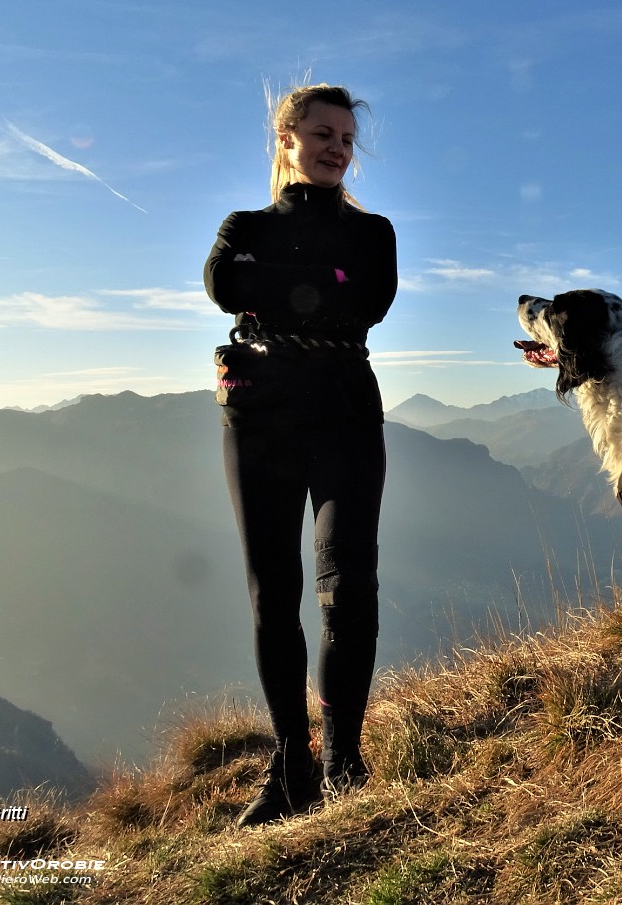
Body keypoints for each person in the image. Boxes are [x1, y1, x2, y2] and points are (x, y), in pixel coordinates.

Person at [204, 83, 397, 827]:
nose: (337, 149)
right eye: (322, 134)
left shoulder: (372, 232)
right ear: (286, 138)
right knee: (272, 591)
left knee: (349, 584)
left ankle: (344, 757)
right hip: (260, 418)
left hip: (344, 413)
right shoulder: (242, 222)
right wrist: (322, 287)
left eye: (346, 140)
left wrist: (276, 286)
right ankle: (293, 764)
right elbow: (224, 284)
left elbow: (369, 301)